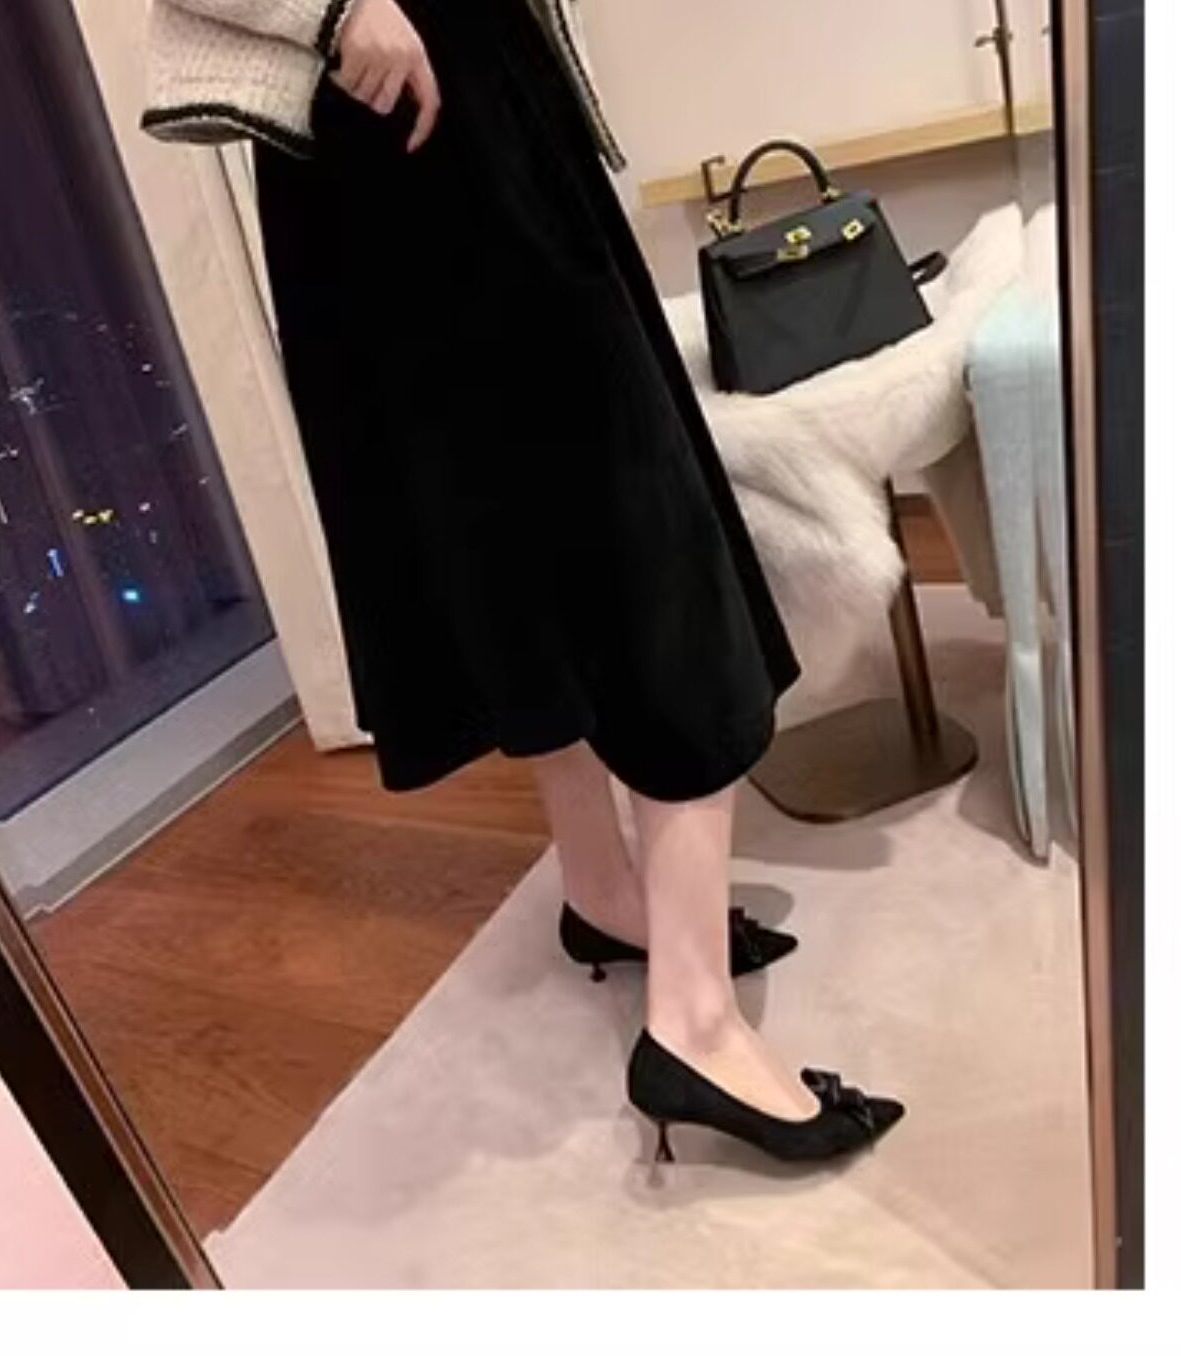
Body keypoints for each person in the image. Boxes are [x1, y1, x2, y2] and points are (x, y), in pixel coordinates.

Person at [141, 0, 903, 1165]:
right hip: (403, 111)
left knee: (528, 537)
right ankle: (694, 1024)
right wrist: (335, 8)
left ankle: (602, 891)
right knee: (640, 544)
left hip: (455, 104)